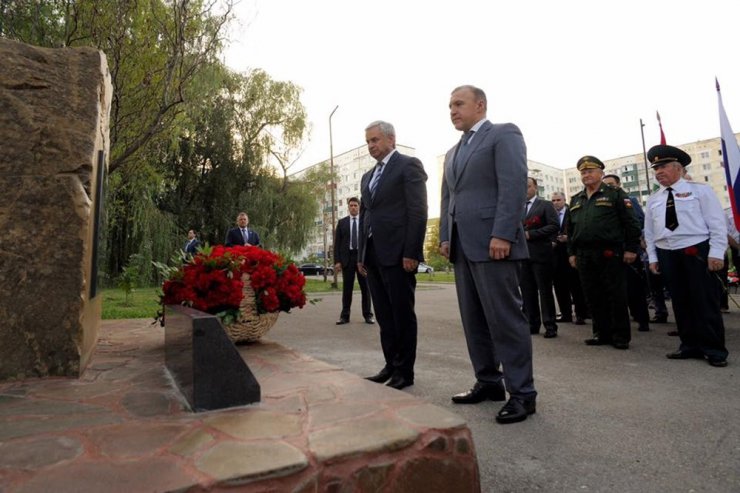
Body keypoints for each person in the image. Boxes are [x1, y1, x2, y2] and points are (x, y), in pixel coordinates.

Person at [439, 84, 536, 424]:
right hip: (463, 246)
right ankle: (488, 381)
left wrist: (502, 233)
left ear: (480, 105)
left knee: (505, 319)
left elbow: (512, 185)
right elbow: (448, 199)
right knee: (474, 320)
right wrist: (445, 236)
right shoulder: (452, 152)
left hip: (494, 243)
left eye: (458, 103)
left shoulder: (502, 134)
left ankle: (523, 393)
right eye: (449, 105)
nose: (452, 110)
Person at [357, 121, 428, 390]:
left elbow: (418, 210)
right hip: (373, 255)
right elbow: (366, 215)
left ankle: (404, 372)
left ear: (391, 139)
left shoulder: (408, 166)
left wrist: (412, 252)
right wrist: (362, 253)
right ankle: (391, 364)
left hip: (399, 255)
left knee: (401, 314)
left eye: (375, 140)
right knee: (384, 316)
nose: (371, 146)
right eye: (368, 142)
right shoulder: (367, 176)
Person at [644, 144, 729, 367]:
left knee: (704, 300)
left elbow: (717, 224)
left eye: (663, 167)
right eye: (656, 169)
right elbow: (650, 232)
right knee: (680, 302)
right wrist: (653, 258)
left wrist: (717, 252)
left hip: (696, 250)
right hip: (667, 253)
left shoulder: (700, 190)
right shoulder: (654, 199)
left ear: (679, 168)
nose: (658, 172)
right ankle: (689, 345)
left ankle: (713, 349)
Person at [566, 156, 641, 350]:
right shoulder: (576, 199)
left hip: (609, 252)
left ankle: (620, 336)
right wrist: (571, 253)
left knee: (615, 295)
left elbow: (631, 223)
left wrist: (632, 249)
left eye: (590, 171)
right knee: (593, 295)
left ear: (601, 173)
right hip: (584, 254)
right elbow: (570, 231)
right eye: (583, 172)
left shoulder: (615, 194)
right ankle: (601, 333)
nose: (586, 175)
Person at [602, 174, 651, 332]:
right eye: (605, 185)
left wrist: (632, 245)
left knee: (634, 286)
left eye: (611, 184)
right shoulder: (603, 201)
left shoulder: (629, 200)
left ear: (619, 184)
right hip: (610, 251)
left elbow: (638, 221)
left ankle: (642, 319)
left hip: (627, 247)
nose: (608, 188)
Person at [521, 177, 559, 337]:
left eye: (528, 186)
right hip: (523, 256)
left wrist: (531, 234)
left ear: (535, 188)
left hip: (541, 255)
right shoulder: (517, 208)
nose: (525, 190)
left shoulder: (545, 205)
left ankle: (550, 325)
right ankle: (532, 324)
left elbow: (553, 226)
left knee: (544, 292)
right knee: (527, 292)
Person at [334, 197, 374, 325]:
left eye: (355, 205)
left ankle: (368, 315)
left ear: (359, 206)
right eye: (351, 205)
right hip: (347, 259)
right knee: (347, 288)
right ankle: (344, 316)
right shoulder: (342, 223)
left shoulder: (365, 222)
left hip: (362, 258)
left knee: (365, 288)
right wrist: (337, 261)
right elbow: (337, 244)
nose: (353, 207)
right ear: (348, 207)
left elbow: (369, 242)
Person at [551, 192, 587, 325]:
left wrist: (568, 238)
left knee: (576, 285)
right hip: (556, 255)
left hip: (571, 253)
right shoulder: (550, 214)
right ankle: (565, 314)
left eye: (558, 200)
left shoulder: (572, 212)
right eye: (553, 200)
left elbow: (579, 229)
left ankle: (580, 314)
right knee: (560, 286)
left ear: (564, 200)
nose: (555, 203)